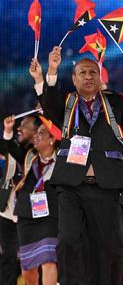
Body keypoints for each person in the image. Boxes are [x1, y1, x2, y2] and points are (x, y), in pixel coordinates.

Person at [33, 46, 123, 285]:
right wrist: (52, 70)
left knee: (106, 245)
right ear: (74, 79)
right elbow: (48, 103)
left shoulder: (115, 103)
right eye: (83, 73)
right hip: (70, 186)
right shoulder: (66, 104)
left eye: (92, 73)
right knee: (68, 239)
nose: (88, 77)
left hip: (105, 186)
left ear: (99, 77)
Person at [2, 116, 59, 285]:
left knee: (48, 259)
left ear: (52, 139)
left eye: (41, 133)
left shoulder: (62, 159)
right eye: (37, 133)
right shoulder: (28, 156)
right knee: (28, 268)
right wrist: (8, 130)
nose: (36, 136)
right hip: (27, 216)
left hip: (50, 215)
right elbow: (10, 147)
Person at [0, 114, 37, 284]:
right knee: (8, 257)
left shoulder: (37, 153)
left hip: (32, 213)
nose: (19, 129)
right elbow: (10, 147)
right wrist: (7, 131)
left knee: (35, 259)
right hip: (8, 212)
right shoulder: (16, 147)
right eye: (19, 126)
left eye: (25, 126)